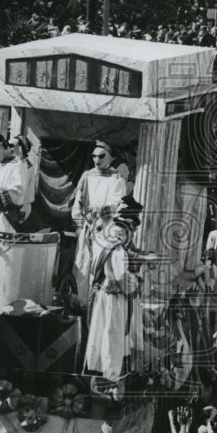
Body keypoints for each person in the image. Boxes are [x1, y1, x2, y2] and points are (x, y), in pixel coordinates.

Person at [83, 196, 147, 383]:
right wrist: (137, 282)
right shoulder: (118, 247)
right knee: (112, 335)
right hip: (114, 297)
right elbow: (121, 276)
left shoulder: (105, 239)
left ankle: (97, 369)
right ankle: (111, 377)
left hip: (102, 293)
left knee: (100, 333)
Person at [71, 141, 128, 308]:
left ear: (110, 158)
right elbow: (78, 201)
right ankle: (82, 304)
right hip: (88, 227)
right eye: (94, 156)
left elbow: (118, 203)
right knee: (82, 263)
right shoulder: (87, 175)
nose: (97, 159)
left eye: (101, 156)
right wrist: (80, 224)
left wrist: (103, 212)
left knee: (101, 266)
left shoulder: (116, 178)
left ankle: (97, 305)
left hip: (105, 229)